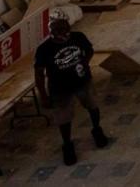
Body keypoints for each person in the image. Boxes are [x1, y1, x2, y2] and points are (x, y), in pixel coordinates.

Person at [33, 10, 108, 165]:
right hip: (60, 89)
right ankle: (67, 145)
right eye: (58, 29)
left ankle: (97, 130)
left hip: (83, 81)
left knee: (92, 106)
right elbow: (39, 74)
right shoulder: (44, 49)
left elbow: (90, 50)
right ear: (51, 30)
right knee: (64, 118)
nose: (64, 32)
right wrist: (43, 95)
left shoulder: (78, 37)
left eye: (66, 28)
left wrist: (85, 62)